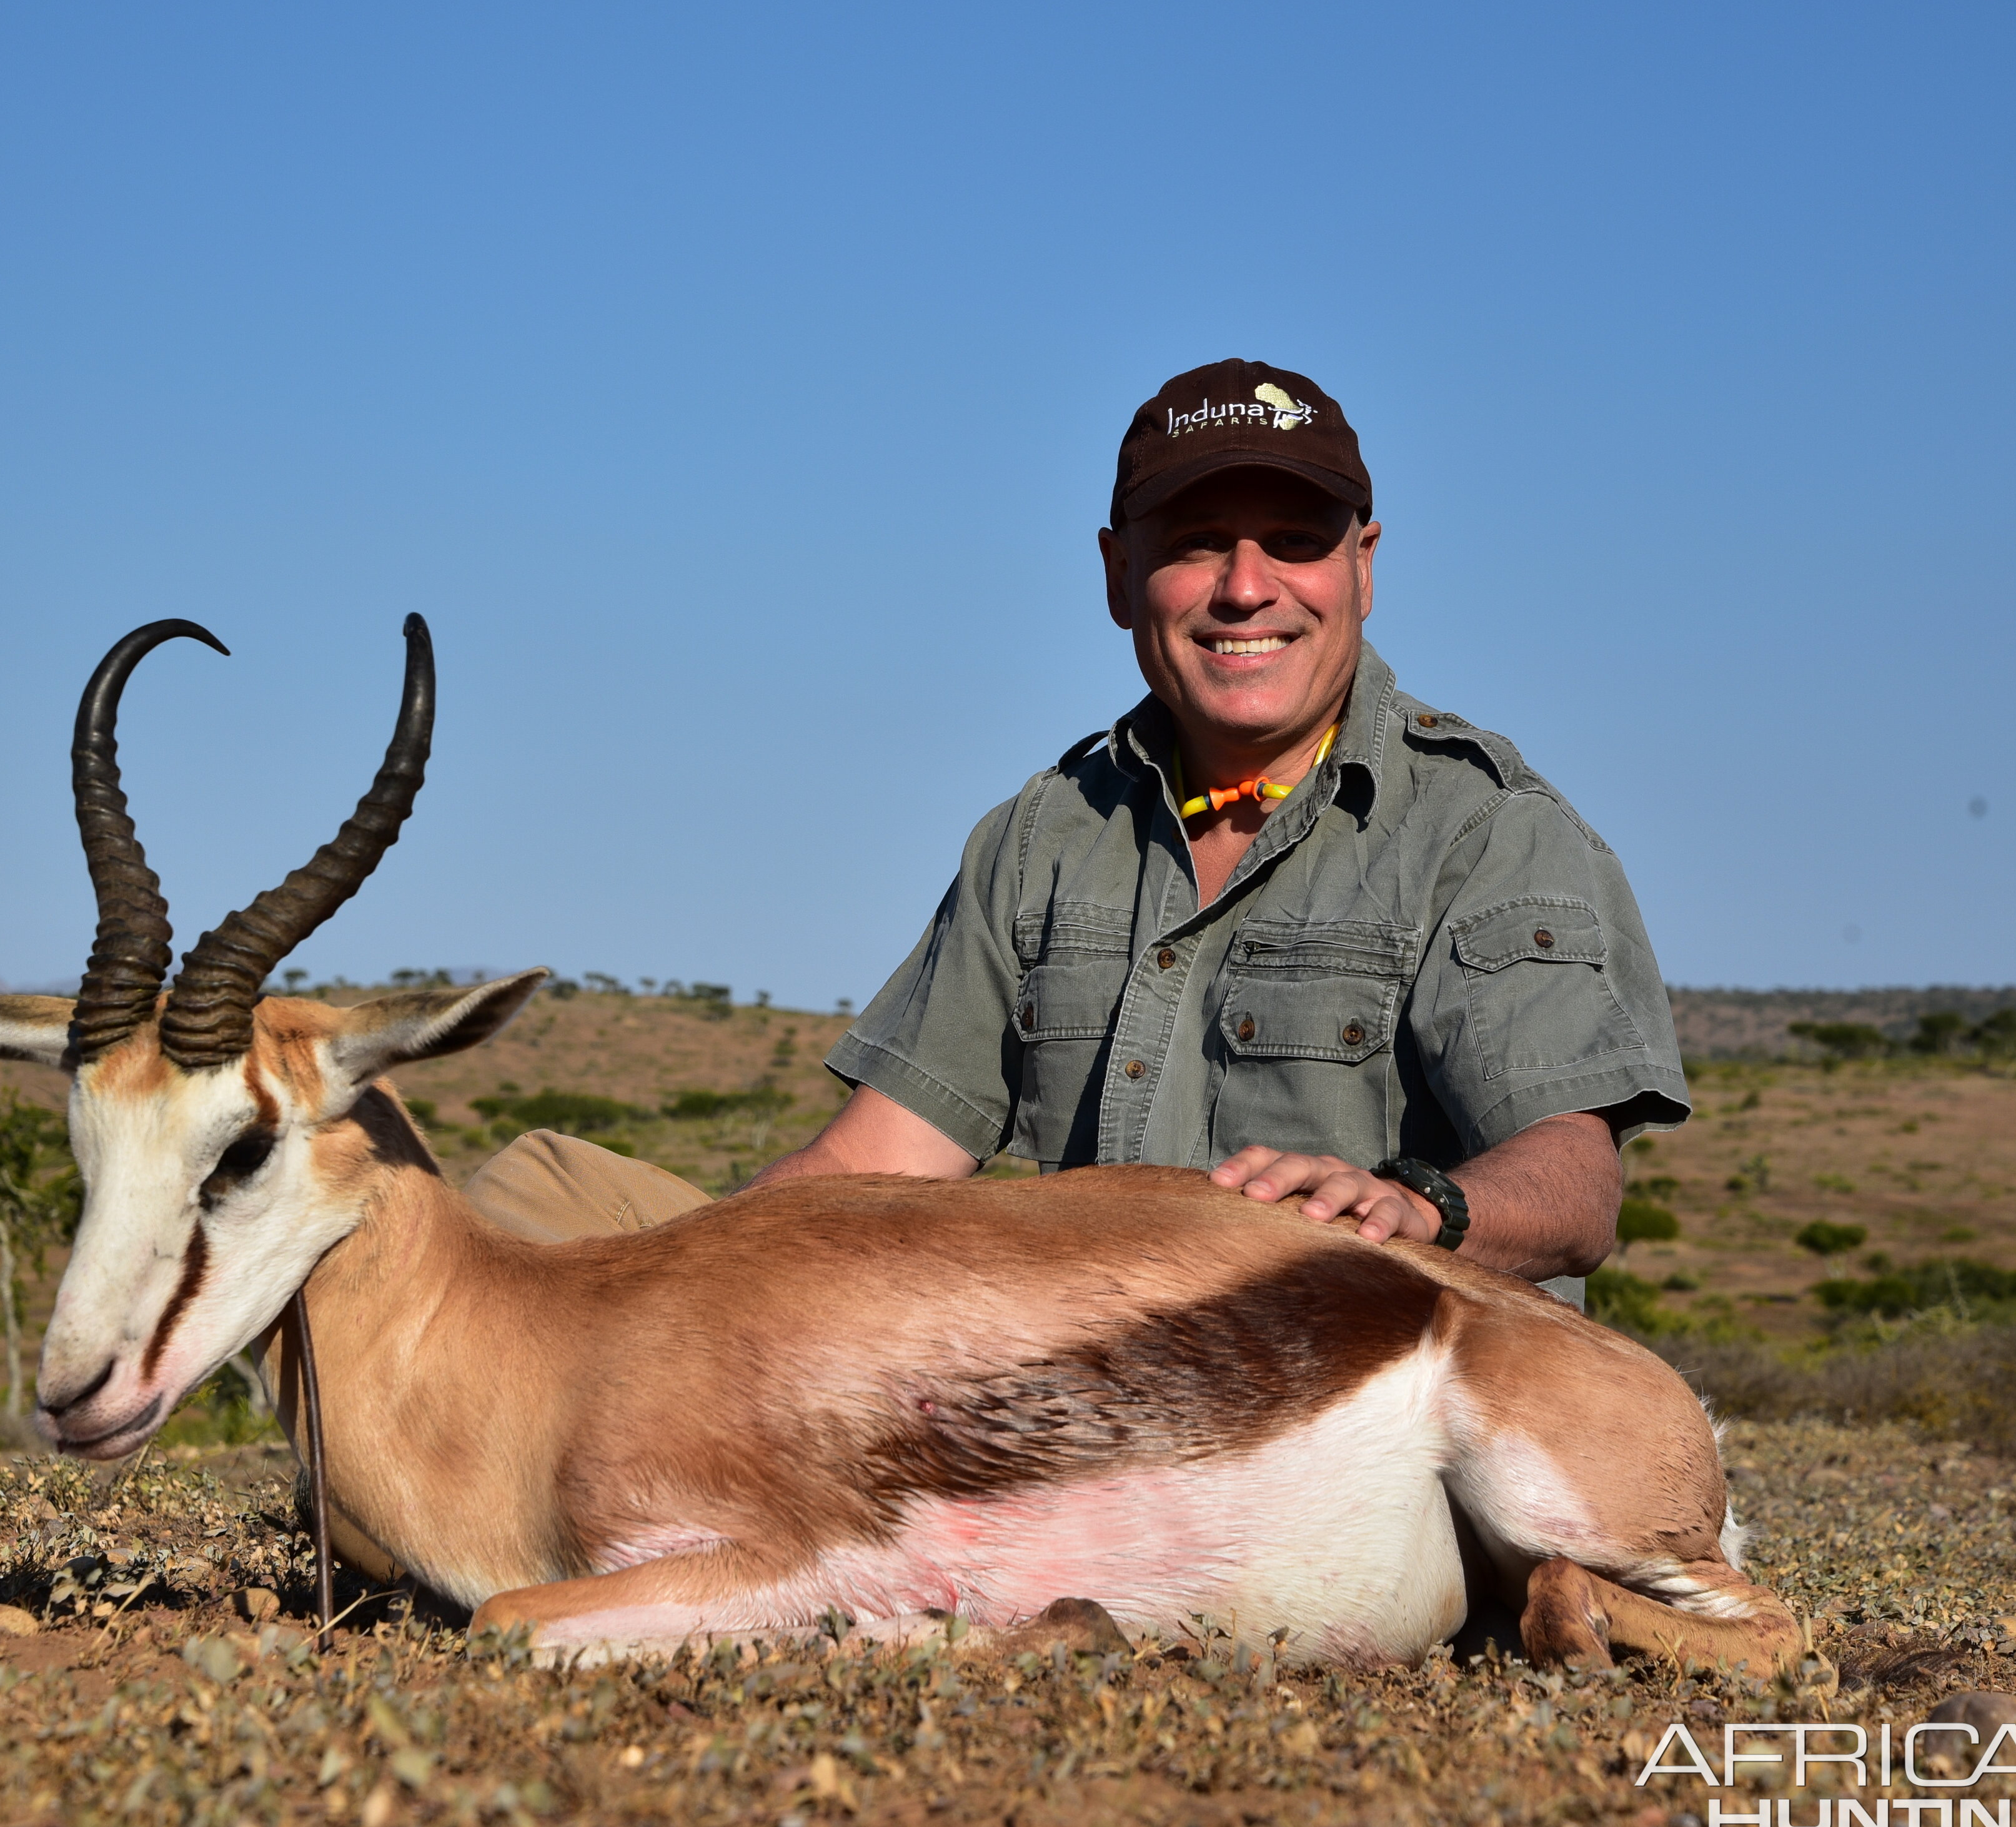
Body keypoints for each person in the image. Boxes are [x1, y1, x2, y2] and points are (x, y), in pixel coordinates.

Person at [400, 360, 1687, 1301]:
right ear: (1120, 571)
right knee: (533, 1204)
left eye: (1294, 543)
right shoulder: (1044, 834)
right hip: (1067, 1348)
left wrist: (1421, 1209)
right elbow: (888, 1161)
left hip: (1348, 1369)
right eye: (1194, 546)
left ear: (1363, 563)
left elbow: (1575, 1187)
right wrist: (684, 1278)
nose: (1247, 588)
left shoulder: (1486, 830)